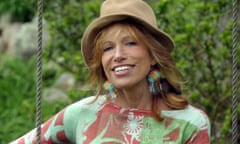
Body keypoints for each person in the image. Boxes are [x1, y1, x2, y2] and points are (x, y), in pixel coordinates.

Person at [11, 0, 210, 143]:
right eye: (107, 48)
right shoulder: (81, 114)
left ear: (153, 55)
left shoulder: (190, 123)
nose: (118, 55)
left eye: (130, 43)